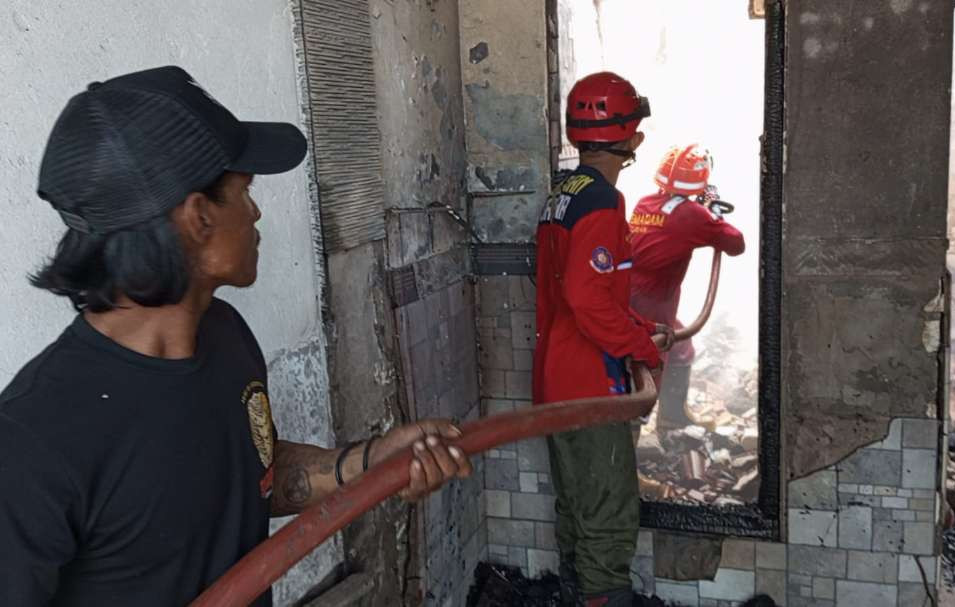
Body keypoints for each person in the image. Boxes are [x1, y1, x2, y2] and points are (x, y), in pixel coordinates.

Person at [0, 66, 472, 606]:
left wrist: (369, 464)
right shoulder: (33, 442)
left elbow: (254, 475)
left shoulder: (224, 336)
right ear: (198, 217)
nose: (256, 211)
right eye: (244, 191)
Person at [534, 71, 673, 607]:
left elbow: (580, 292)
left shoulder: (562, 196)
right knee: (608, 511)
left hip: (555, 379)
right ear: (632, 136)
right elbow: (589, 303)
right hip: (588, 385)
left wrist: (638, 327)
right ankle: (602, 599)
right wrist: (642, 350)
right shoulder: (602, 203)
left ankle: (576, 595)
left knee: (575, 505)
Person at [628, 144, 745, 429]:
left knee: (681, 350)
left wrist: (706, 211)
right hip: (654, 303)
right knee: (650, 368)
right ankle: (633, 435)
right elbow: (736, 243)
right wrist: (713, 215)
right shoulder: (692, 215)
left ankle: (672, 418)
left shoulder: (645, 203)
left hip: (631, 292)